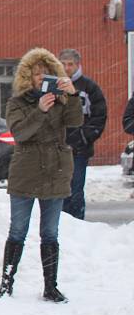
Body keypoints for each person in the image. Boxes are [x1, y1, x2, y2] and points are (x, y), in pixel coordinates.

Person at [0, 47, 82, 303]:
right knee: (18, 230)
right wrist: (40, 111)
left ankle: (50, 286)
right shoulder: (17, 102)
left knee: (50, 232)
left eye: (46, 73)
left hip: (55, 170)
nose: (41, 78)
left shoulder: (61, 100)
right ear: (28, 77)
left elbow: (76, 121)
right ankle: (6, 283)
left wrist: (73, 94)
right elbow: (20, 133)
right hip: (26, 170)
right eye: (36, 74)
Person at [58, 49, 106, 220]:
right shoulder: (53, 86)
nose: (66, 67)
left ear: (77, 65)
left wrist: (83, 138)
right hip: (57, 148)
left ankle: (78, 224)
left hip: (79, 149)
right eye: (63, 64)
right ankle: (60, 225)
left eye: (70, 64)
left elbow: (99, 116)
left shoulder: (89, 87)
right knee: (58, 191)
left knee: (75, 190)